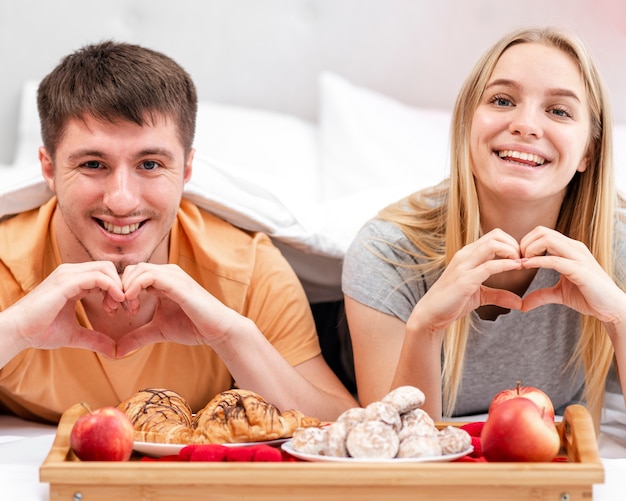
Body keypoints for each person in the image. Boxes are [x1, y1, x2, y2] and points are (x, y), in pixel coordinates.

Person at [0, 41, 358, 424]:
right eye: (92, 164)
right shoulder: (7, 263)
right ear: (49, 169)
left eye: (150, 164)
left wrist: (231, 338)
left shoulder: (246, 269)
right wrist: (14, 330)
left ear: (186, 170)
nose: (121, 200)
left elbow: (345, 427)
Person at [342, 26, 626, 431]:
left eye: (559, 111)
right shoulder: (388, 251)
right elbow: (397, 454)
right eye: (502, 100)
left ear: (589, 151)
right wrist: (427, 327)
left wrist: (619, 317)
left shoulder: (617, 247)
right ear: (466, 125)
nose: (526, 125)